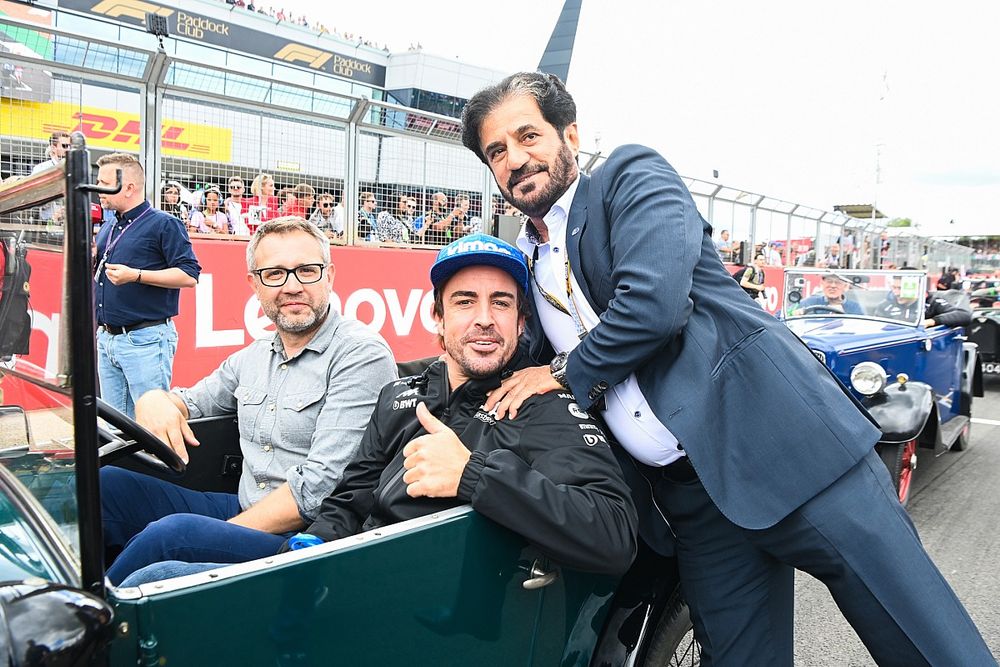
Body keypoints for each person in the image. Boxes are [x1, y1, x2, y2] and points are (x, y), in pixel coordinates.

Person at [463, 72, 992, 665]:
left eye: (527, 136)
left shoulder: (629, 177)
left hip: (788, 453)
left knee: (927, 644)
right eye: (497, 151)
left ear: (571, 134)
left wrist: (563, 373)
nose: (515, 159)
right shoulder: (528, 263)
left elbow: (654, 306)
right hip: (695, 503)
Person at [288, 233, 636, 576]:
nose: (484, 318)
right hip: (351, 584)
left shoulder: (542, 405)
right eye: (465, 301)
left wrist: (474, 476)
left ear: (520, 321)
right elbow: (352, 499)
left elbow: (615, 533)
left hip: (441, 613)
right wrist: (314, 546)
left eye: (500, 302)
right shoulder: (397, 395)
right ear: (438, 315)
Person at [101, 217, 397, 585]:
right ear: (254, 285)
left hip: (305, 537)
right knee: (108, 484)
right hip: (243, 506)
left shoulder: (360, 355)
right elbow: (189, 402)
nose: (292, 286)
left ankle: (90, 626)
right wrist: (151, 399)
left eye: (306, 270)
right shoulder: (252, 358)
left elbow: (319, 490)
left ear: (330, 276)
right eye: (274, 274)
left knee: (172, 537)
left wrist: (217, 533)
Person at [94, 153, 201, 418]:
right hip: (108, 339)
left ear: (129, 187)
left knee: (153, 424)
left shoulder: (164, 224)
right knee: (116, 428)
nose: (98, 190)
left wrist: (137, 275)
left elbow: (189, 275)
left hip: (144, 340)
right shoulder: (109, 227)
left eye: (103, 183)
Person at [874, 274, 972, 328]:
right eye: (894, 288)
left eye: (900, 288)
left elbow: (964, 315)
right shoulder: (885, 306)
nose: (896, 293)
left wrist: (931, 321)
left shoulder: (932, 303)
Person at [792, 273, 865, 315]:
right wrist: (796, 314)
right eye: (829, 281)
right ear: (822, 284)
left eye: (838, 282)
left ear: (845, 286)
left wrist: (844, 315)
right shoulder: (808, 303)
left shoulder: (855, 308)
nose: (833, 286)